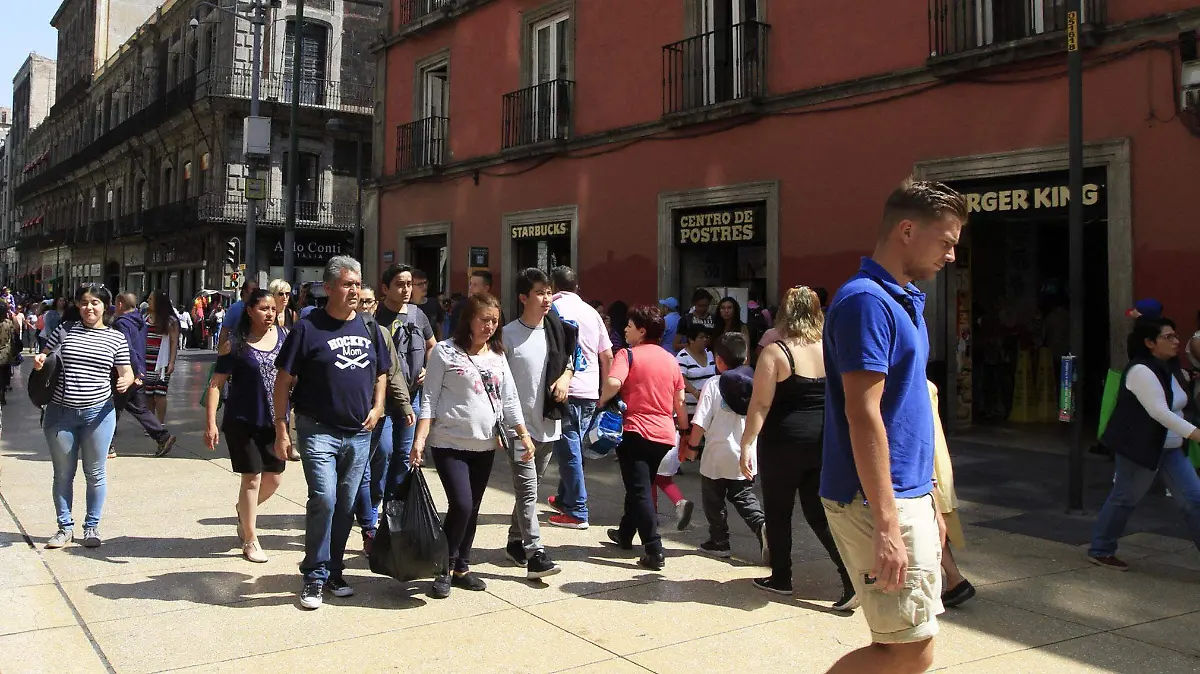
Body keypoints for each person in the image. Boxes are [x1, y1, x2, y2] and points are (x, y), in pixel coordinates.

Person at [822, 179, 966, 674]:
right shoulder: (866, 301)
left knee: (912, 646)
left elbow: (909, 409)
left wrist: (930, 500)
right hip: (875, 499)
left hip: (907, 494)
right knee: (907, 649)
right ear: (907, 230)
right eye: (946, 242)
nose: (951, 256)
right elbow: (864, 414)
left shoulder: (903, 301)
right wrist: (888, 524)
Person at [272, 256, 391, 610]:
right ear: (329, 288)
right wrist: (282, 427)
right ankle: (313, 574)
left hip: (359, 431)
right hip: (316, 428)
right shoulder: (308, 329)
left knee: (346, 505)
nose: (354, 290)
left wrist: (378, 406)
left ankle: (335, 569)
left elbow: (382, 371)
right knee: (323, 498)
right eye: (347, 284)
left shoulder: (369, 327)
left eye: (357, 284)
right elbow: (283, 381)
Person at [412, 293, 536, 598]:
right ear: (468, 319)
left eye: (495, 321)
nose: (490, 326)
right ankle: (443, 567)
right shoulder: (444, 352)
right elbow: (429, 399)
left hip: (484, 444)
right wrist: (420, 439)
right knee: (462, 505)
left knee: (473, 508)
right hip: (449, 442)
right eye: (484, 319)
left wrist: (523, 433)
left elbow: (509, 400)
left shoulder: (497, 356)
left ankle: (461, 567)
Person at [740, 286, 855, 607]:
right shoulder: (829, 348)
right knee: (820, 513)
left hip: (782, 441)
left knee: (778, 511)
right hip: (823, 440)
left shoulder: (776, 352)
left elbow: (760, 404)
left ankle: (781, 577)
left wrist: (747, 444)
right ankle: (850, 578)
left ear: (785, 315)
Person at [1088, 316, 1200, 570]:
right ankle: (1101, 548)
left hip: (1171, 449)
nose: (1175, 341)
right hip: (1140, 447)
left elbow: (1181, 405)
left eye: (1175, 335)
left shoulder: (1170, 367)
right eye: (1168, 337)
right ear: (1149, 342)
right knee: (1125, 498)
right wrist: (1196, 434)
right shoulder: (1141, 370)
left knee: (1195, 500)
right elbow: (1160, 412)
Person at [37, 285, 134, 550]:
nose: (88, 308)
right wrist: (39, 361)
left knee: (95, 473)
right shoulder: (65, 330)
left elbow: (124, 370)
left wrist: (125, 381)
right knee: (63, 473)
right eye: (83, 303)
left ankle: (92, 527)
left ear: (105, 306)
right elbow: (44, 356)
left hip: (99, 414)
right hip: (60, 413)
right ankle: (64, 527)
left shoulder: (116, 338)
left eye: (94, 303)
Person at [599, 305, 688, 570]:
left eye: (629, 325)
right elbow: (679, 402)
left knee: (640, 490)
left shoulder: (627, 354)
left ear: (642, 330)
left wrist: (602, 401)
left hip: (635, 430)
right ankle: (625, 533)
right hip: (663, 434)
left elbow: (614, 383)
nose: (625, 329)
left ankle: (654, 548)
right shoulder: (670, 359)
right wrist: (685, 433)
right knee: (640, 484)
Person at [204, 288, 289, 564]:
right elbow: (216, 384)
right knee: (251, 477)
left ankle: (243, 511)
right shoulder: (235, 344)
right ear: (250, 311)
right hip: (242, 420)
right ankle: (250, 539)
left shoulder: (285, 339)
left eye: (273, 309)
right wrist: (211, 423)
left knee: (273, 478)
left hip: (275, 422)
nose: (269, 314)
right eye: (263, 308)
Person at [354, 264, 434, 553]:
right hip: (382, 400)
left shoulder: (418, 315)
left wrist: (428, 366)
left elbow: (432, 345)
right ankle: (370, 515)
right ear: (385, 288)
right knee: (382, 453)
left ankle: (393, 515)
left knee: (403, 457)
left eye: (409, 284)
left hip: (411, 397)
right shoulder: (374, 318)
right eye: (400, 284)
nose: (406, 289)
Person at [500, 268, 572, 578]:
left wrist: (566, 378)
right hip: (518, 428)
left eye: (549, 292)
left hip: (548, 421)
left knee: (532, 486)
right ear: (523, 297)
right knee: (528, 491)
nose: (546, 298)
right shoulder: (507, 335)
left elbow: (570, 362)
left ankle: (515, 541)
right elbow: (499, 383)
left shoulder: (556, 329)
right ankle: (535, 552)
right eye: (540, 292)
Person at [682, 332, 766, 560]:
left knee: (713, 499)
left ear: (718, 360)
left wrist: (692, 446)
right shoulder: (755, 383)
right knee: (744, 496)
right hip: (745, 453)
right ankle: (762, 527)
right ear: (746, 357)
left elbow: (700, 422)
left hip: (716, 455)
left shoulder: (713, 384)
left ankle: (719, 541)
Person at [548, 266, 613, 528]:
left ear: (553, 285)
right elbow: (606, 355)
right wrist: (606, 392)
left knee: (569, 450)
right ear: (577, 287)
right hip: (589, 390)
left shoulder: (552, 308)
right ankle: (565, 498)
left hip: (566, 387)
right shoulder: (591, 312)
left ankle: (576, 510)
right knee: (574, 448)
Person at [111, 293, 178, 458]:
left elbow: (127, 349)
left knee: (112, 408)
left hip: (129, 372)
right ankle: (163, 437)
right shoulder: (141, 320)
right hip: (142, 367)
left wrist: (132, 371)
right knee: (140, 408)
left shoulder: (122, 323)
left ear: (120, 304)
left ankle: (106, 445)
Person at [928, 381, 974, 608]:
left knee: (933, 526)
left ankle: (953, 578)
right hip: (935, 462)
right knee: (936, 526)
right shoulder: (925, 385)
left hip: (928, 466)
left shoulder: (915, 385)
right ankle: (954, 579)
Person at [143, 289, 180, 429]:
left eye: (151, 299)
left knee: (160, 393)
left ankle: (160, 423)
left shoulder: (170, 321)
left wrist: (171, 362)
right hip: (146, 361)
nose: (148, 301)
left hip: (162, 361)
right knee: (148, 394)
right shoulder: (145, 318)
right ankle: (151, 424)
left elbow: (174, 341)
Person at [218, 279, 260, 349]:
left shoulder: (259, 308)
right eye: (253, 290)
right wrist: (221, 350)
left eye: (257, 290)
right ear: (244, 291)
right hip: (238, 349)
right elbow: (224, 331)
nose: (256, 292)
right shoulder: (234, 308)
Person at [412, 269, 446, 341]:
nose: (424, 287)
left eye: (425, 283)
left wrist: (440, 344)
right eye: (420, 284)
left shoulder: (434, 303)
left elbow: (439, 325)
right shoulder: (406, 306)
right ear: (411, 286)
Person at [0, 302, 18, 405]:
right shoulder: (8, 323)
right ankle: (2, 392)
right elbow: (14, 335)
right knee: (3, 375)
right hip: (5, 354)